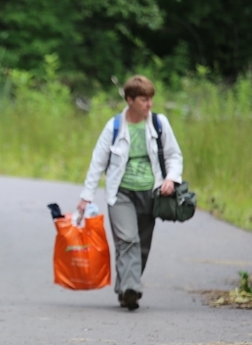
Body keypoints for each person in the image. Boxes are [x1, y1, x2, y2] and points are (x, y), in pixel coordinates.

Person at [76, 75, 183, 311]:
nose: (149, 104)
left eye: (150, 99)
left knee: (142, 245)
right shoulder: (114, 126)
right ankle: (131, 288)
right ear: (130, 99)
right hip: (121, 193)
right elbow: (98, 161)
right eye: (144, 99)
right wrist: (86, 196)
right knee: (127, 240)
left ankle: (125, 289)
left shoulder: (159, 123)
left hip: (151, 193)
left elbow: (174, 155)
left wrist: (171, 179)